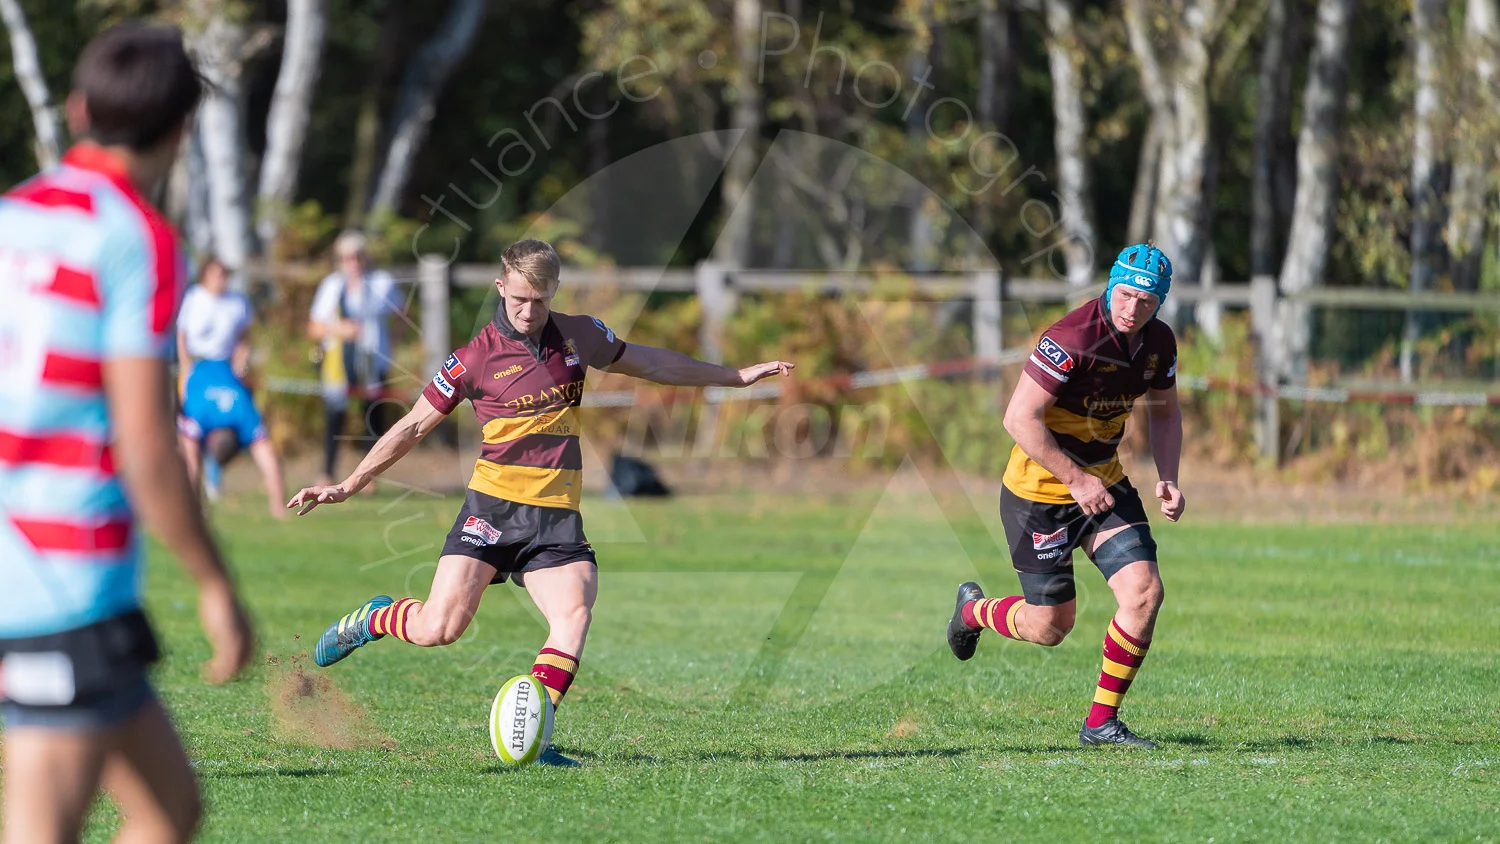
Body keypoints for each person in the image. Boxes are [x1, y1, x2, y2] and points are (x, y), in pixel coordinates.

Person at [288, 239, 794, 766]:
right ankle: (375, 618)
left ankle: (534, 733)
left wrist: (732, 376)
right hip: (491, 511)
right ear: (501, 287)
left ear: (554, 291)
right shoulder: (472, 359)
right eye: (519, 300)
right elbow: (414, 424)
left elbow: (650, 363)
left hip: (555, 519)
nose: (529, 312)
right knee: (439, 628)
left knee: (574, 613)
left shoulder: (581, 335)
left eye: (541, 300)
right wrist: (348, 483)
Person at [0, 24, 254, 843]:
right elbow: (147, 444)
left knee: (169, 808)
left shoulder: (11, 217)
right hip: (55, 576)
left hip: (54, 586)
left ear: (77, 108)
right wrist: (214, 583)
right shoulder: (135, 237)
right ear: (181, 131)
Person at [946, 242, 1186, 749]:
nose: (1132, 309)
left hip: (1106, 484)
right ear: (1110, 286)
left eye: (1146, 301)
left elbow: (1164, 410)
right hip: (1040, 492)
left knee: (1144, 592)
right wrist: (1076, 481)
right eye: (1125, 295)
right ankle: (973, 611)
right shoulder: (1071, 338)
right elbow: (1018, 419)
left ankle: (1100, 723)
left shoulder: (1159, 343)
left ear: (1160, 303)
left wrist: (1168, 474)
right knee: (1051, 626)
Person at [176, 257, 287, 517]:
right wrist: (185, 369)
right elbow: (181, 336)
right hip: (199, 374)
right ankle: (193, 505)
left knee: (257, 432)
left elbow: (245, 336)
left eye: (225, 274)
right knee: (190, 441)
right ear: (205, 275)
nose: (221, 278)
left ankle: (279, 505)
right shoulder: (194, 298)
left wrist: (241, 362)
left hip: (227, 374)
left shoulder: (237, 303)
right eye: (216, 273)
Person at [307, 231, 403, 487]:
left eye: (358, 257)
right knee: (335, 418)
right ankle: (327, 472)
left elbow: (401, 315)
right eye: (348, 258)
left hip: (373, 362)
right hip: (339, 364)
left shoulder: (381, 282)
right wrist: (339, 330)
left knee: (372, 419)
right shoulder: (331, 286)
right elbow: (314, 328)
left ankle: (368, 477)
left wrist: (392, 345)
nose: (354, 263)